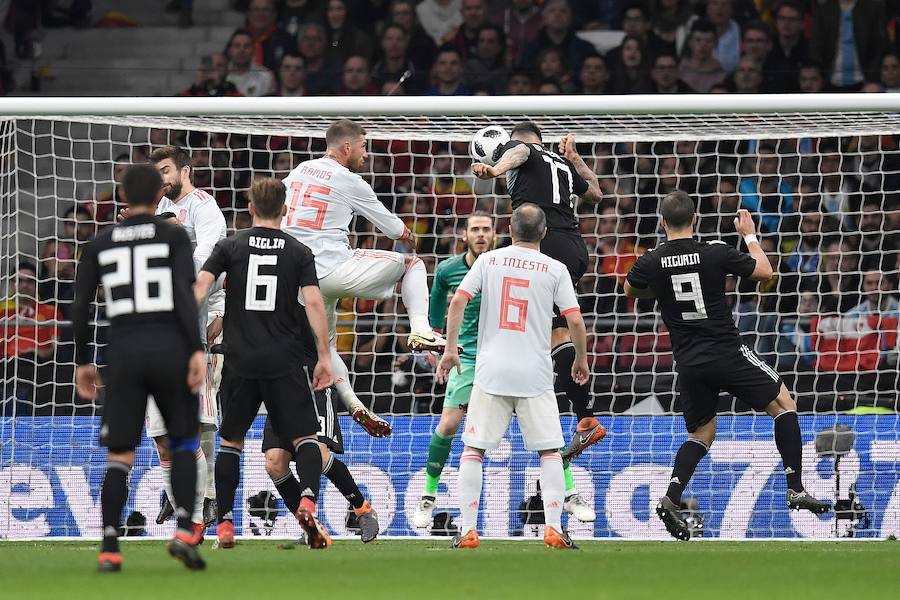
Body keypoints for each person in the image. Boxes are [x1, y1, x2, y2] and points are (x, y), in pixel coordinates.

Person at [623, 192, 832, 541]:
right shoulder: (714, 251)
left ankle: (672, 496)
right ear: (695, 220)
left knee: (701, 434)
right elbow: (765, 272)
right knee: (784, 405)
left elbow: (631, 291)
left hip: (689, 362)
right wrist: (749, 234)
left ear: (662, 222)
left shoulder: (652, 259)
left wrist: (660, 290)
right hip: (726, 351)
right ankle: (795, 488)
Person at [413, 212, 595, 528]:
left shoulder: (490, 263)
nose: (481, 235)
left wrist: (447, 349)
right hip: (501, 361)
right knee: (547, 445)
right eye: (475, 229)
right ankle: (429, 497)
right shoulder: (552, 268)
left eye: (486, 229)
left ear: (504, 231)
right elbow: (575, 320)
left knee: (474, 448)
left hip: (488, 363)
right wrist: (581, 358)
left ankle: (469, 528)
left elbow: (458, 301)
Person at [73, 164, 206, 571]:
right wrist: (196, 350)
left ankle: (111, 546)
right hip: (169, 349)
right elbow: (186, 296)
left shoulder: (100, 242)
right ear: (158, 194)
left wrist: (83, 360)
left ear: (124, 196)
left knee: (121, 454)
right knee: (184, 441)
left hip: (125, 354)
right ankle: (185, 527)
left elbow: (80, 306)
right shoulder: (173, 235)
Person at [280, 119, 449, 436]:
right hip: (334, 268)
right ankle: (422, 330)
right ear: (347, 147)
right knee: (412, 265)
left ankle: (354, 403)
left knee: (325, 350)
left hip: (298, 280)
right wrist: (408, 233)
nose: (366, 154)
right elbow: (393, 228)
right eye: (364, 146)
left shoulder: (298, 172)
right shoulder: (349, 180)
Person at [193, 177, 334, 549]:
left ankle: (223, 524)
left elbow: (200, 288)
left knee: (230, 442)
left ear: (250, 208)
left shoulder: (228, 247)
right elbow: (315, 304)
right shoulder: (299, 251)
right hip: (285, 359)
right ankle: (307, 498)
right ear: (284, 209)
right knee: (305, 437)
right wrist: (323, 356)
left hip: (239, 359)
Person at [471, 121, 604, 462]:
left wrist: (493, 169)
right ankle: (580, 414)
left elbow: (517, 153)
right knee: (553, 330)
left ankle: (576, 410)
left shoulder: (524, 149)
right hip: (573, 246)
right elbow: (595, 192)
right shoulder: (560, 164)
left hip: (544, 244)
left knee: (542, 328)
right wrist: (574, 157)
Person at [146, 145, 227, 532]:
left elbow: (214, 260)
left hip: (200, 320)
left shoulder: (203, 207)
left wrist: (218, 312)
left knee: (202, 420)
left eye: (166, 170)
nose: (161, 178)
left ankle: (206, 499)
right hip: (160, 324)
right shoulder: (158, 211)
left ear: (185, 170)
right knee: (166, 428)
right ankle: (185, 500)